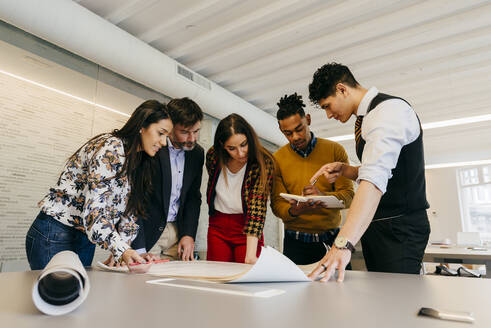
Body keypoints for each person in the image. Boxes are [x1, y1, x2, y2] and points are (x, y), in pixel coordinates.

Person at [307, 63, 430, 282]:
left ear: (342, 89)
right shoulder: (368, 117)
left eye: (327, 105)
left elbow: (374, 181)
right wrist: (346, 170)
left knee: (397, 302)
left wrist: (342, 243)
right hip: (378, 226)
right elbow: (382, 170)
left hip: (400, 230)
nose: (327, 115)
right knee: (379, 300)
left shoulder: (388, 111)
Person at [25, 100, 173, 273]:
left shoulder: (137, 159)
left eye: (167, 137)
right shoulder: (111, 148)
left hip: (84, 238)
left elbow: (130, 212)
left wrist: (128, 250)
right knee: (56, 297)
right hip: (56, 232)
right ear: (142, 126)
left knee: (81, 297)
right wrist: (121, 249)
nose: (164, 142)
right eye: (161, 133)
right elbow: (94, 213)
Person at [271, 93, 354, 265]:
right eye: (288, 133)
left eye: (299, 129)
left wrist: (322, 197)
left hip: (333, 240)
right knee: (298, 292)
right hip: (295, 244)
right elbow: (277, 206)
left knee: (341, 290)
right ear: (281, 131)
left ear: (308, 119)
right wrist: (295, 210)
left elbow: (349, 197)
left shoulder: (334, 150)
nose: (295, 137)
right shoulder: (277, 159)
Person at [130, 97, 204, 262]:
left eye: (196, 131)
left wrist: (189, 234)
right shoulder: (152, 147)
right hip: (149, 231)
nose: (192, 138)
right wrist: (138, 245)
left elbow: (193, 196)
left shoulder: (197, 154)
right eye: (185, 132)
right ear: (170, 127)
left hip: (178, 233)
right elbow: (136, 198)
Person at [205, 114, 274, 264]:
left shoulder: (263, 162)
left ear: (250, 138)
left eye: (244, 144)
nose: (240, 153)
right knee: (217, 279)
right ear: (222, 145)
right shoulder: (213, 156)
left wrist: (250, 255)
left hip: (247, 228)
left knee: (246, 278)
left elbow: (258, 206)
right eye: (232, 148)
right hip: (217, 226)